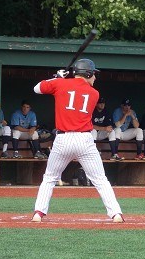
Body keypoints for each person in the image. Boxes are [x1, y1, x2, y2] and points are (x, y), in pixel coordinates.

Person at [31, 59, 124, 223]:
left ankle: (38, 213)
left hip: (62, 139)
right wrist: (61, 80)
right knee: (100, 179)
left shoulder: (60, 84)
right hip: (84, 140)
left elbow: (37, 88)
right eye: (93, 74)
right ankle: (116, 213)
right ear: (87, 73)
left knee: (49, 178)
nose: (95, 77)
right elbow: (75, 89)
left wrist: (57, 78)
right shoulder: (94, 93)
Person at [91, 97, 122, 161]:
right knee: (93, 131)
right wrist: (104, 128)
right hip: (92, 134)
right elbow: (90, 126)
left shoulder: (106, 112)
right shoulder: (92, 111)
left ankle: (114, 154)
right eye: (100, 103)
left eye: (103, 103)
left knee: (112, 131)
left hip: (101, 133)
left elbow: (110, 125)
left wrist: (108, 128)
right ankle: (92, 153)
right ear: (96, 104)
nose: (102, 105)